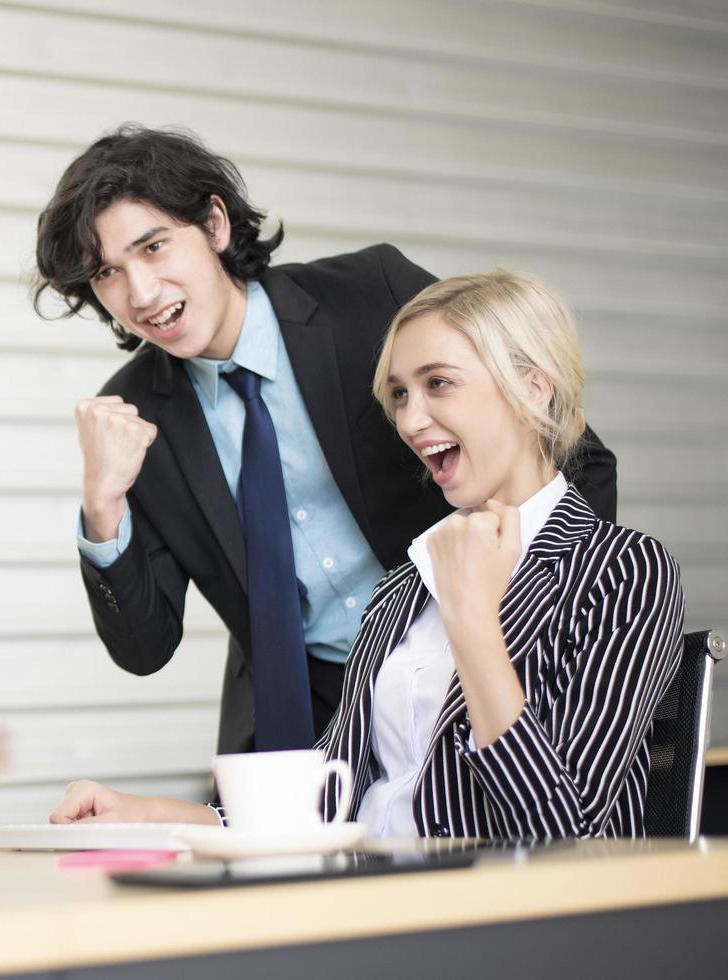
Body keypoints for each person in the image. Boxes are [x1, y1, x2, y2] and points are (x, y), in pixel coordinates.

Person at [32, 125, 618, 755]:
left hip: (463, 678)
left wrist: (533, 638)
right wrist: (101, 507)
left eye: (153, 248)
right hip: (300, 725)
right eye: (107, 275)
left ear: (215, 225)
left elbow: (573, 455)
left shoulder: (372, 295)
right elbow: (144, 650)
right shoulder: (135, 416)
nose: (140, 294)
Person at [50, 270, 685, 839]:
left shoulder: (625, 571)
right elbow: (331, 796)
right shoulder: (404, 588)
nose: (411, 422)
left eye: (439, 384)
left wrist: (471, 620)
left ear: (535, 387)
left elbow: (559, 826)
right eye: (400, 395)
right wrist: (154, 816)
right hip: (373, 908)